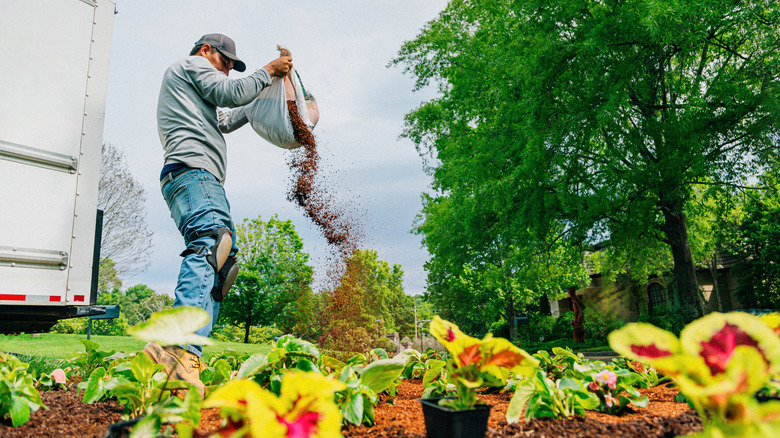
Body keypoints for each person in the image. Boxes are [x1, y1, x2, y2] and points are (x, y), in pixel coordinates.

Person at [143, 33, 292, 397]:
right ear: (205, 51)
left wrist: (270, 94)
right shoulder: (190, 64)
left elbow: (226, 116)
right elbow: (228, 93)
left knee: (223, 264)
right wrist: (268, 69)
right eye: (224, 63)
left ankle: (173, 353)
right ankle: (180, 348)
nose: (226, 72)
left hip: (198, 177)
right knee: (211, 243)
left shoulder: (198, 92)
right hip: (192, 172)